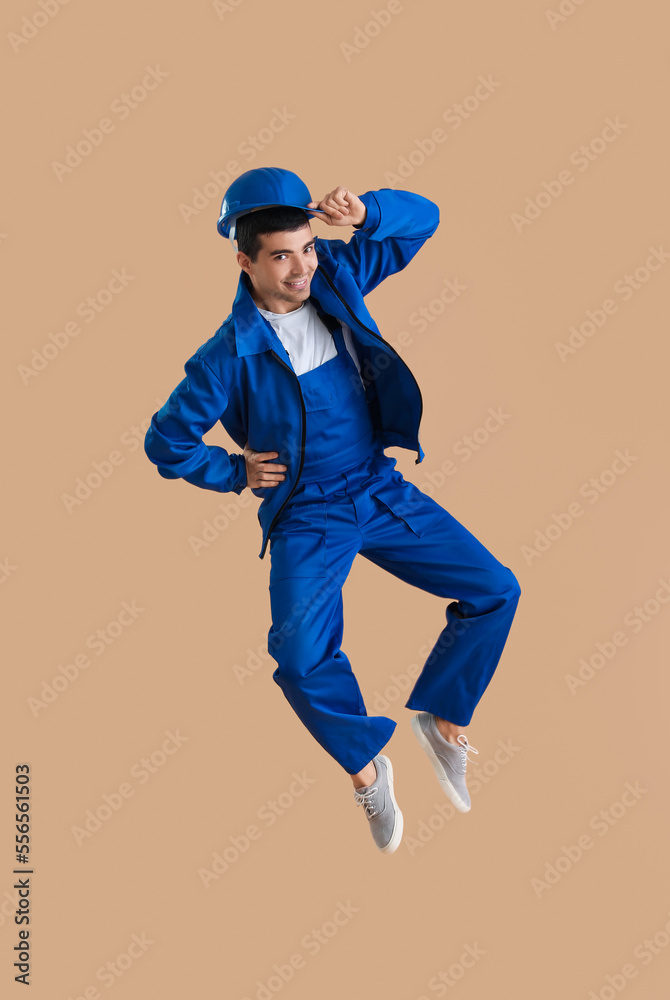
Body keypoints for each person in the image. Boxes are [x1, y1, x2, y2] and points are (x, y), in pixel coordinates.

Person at [144, 166, 521, 855]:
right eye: (282, 255)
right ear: (245, 261)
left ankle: (442, 717)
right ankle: (366, 769)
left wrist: (367, 211)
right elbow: (164, 440)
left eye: (307, 248)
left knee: (495, 589)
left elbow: (426, 217)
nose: (300, 268)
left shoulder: (338, 275)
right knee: (298, 653)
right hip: (308, 512)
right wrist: (232, 472)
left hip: (376, 487)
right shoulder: (225, 356)